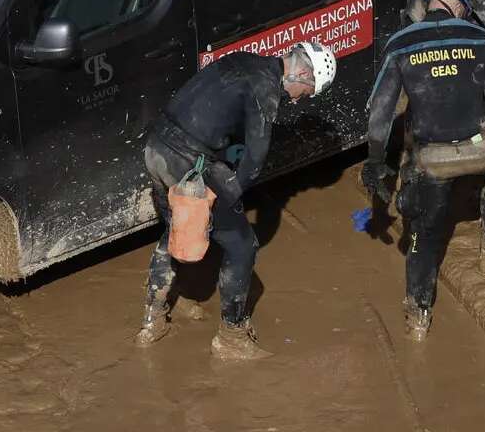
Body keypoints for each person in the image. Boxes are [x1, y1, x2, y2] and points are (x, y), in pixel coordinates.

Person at [361, 0, 485, 338]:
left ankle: (419, 316)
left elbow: (380, 111)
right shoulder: (478, 38)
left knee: (423, 237)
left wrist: (376, 163)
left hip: (432, 160)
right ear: (460, 5)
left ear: (431, 0)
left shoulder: (400, 43)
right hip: (479, 147)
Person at [137, 41, 337, 358]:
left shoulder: (244, 60)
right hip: (188, 162)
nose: (299, 100)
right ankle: (232, 338)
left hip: (156, 147)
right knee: (243, 245)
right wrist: (227, 193)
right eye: (306, 92)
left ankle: (154, 320)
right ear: (301, 72)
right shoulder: (266, 88)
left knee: (179, 226)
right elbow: (255, 160)